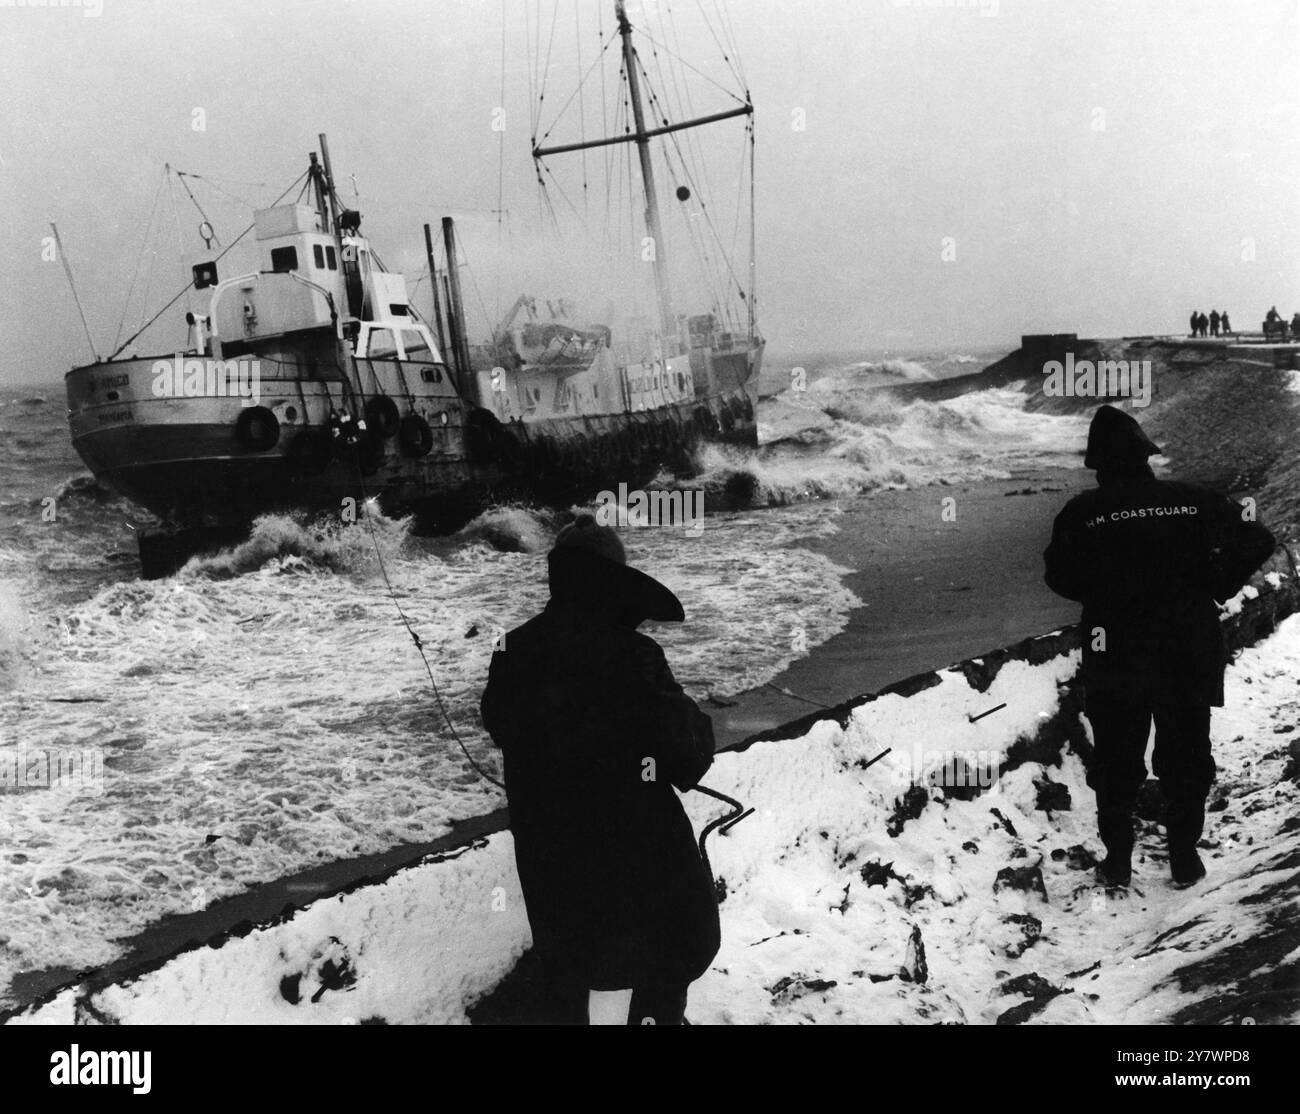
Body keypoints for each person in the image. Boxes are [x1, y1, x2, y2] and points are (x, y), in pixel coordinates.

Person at [480, 514, 720, 1024]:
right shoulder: (633, 654)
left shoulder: (511, 650)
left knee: (570, 966)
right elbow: (688, 759)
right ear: (614, 583)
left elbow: (503, 726)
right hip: (633, 855)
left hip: (550, 854)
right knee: (680, 940)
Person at [1043, 406, 1275, 889]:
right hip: (1189, 646)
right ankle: (1185, 856)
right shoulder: (1193, 500)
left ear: (1100, 466)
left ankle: (1119, 861)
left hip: (1117, 651)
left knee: (1117, 760)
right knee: (1187, 754)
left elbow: (1059, 576)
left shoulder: (1082, 512)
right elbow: (1257, 537)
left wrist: (1105, 591)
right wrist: (1215, 584)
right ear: (1147, 457)